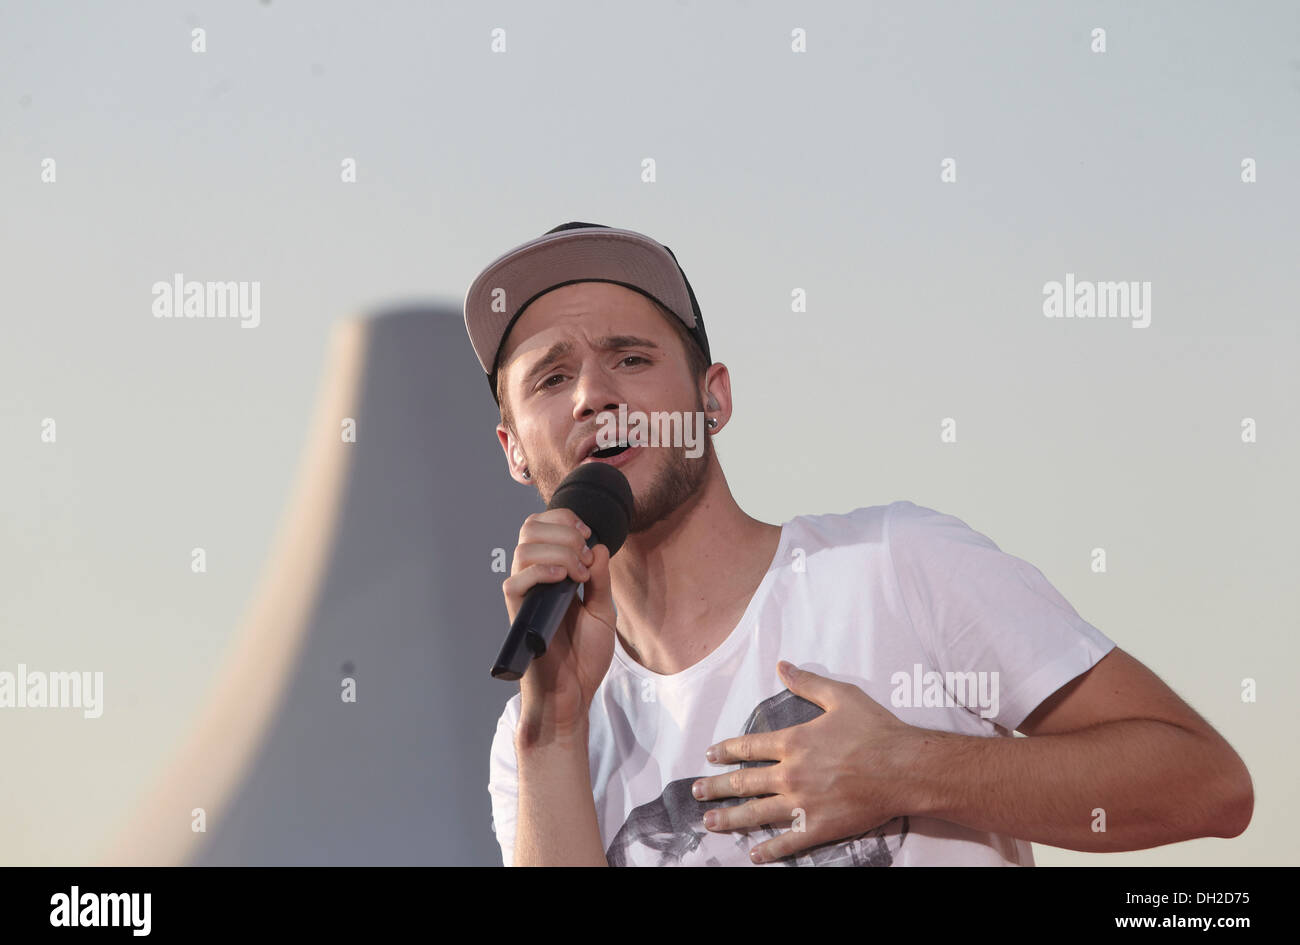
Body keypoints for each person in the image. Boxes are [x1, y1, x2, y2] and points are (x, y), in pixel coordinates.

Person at [464, 222, 1253, 866]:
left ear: (712, 401)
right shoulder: (531, 740)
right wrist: (556, 728)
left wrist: (906, 769)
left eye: (631, 359)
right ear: (514, 449)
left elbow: (1206, 784)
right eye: (550, 379)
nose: (595, 395)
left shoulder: (894, 565)